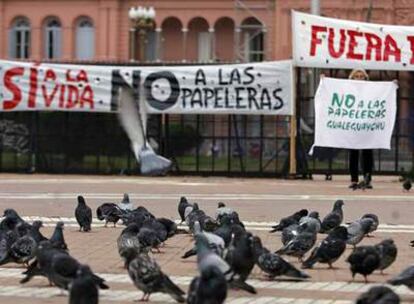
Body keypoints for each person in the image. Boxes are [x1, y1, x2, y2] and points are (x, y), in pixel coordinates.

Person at [347, 69, 373, 190]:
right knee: (353, 153)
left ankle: (367, 179)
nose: (359, 78)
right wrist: (324, 81)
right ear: (352, 78)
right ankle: (354, 179)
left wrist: (392, 85)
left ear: (365, 78)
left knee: (367, 153)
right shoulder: (346, 89)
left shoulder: (372, 89)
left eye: (361, 76)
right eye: (356, 76)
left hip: (367, 125)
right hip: (353, 125)